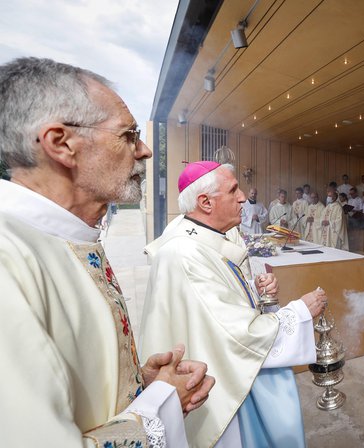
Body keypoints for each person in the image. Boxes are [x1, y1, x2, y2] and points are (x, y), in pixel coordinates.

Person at [0, 57, 214, 446]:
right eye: (129, 135)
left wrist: (138, 386)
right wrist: (159, 408)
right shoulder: (7, 258)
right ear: (62, 143)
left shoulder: (68, 235)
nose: (145, 150)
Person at [140, 162, 327, 447]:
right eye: (233, 190)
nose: (243, 197)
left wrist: (252, 290)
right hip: (218, 383)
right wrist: (299, 311)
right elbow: (237, 334)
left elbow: (214, 303)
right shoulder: (185, 254)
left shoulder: (200, 239)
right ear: (205, 202)